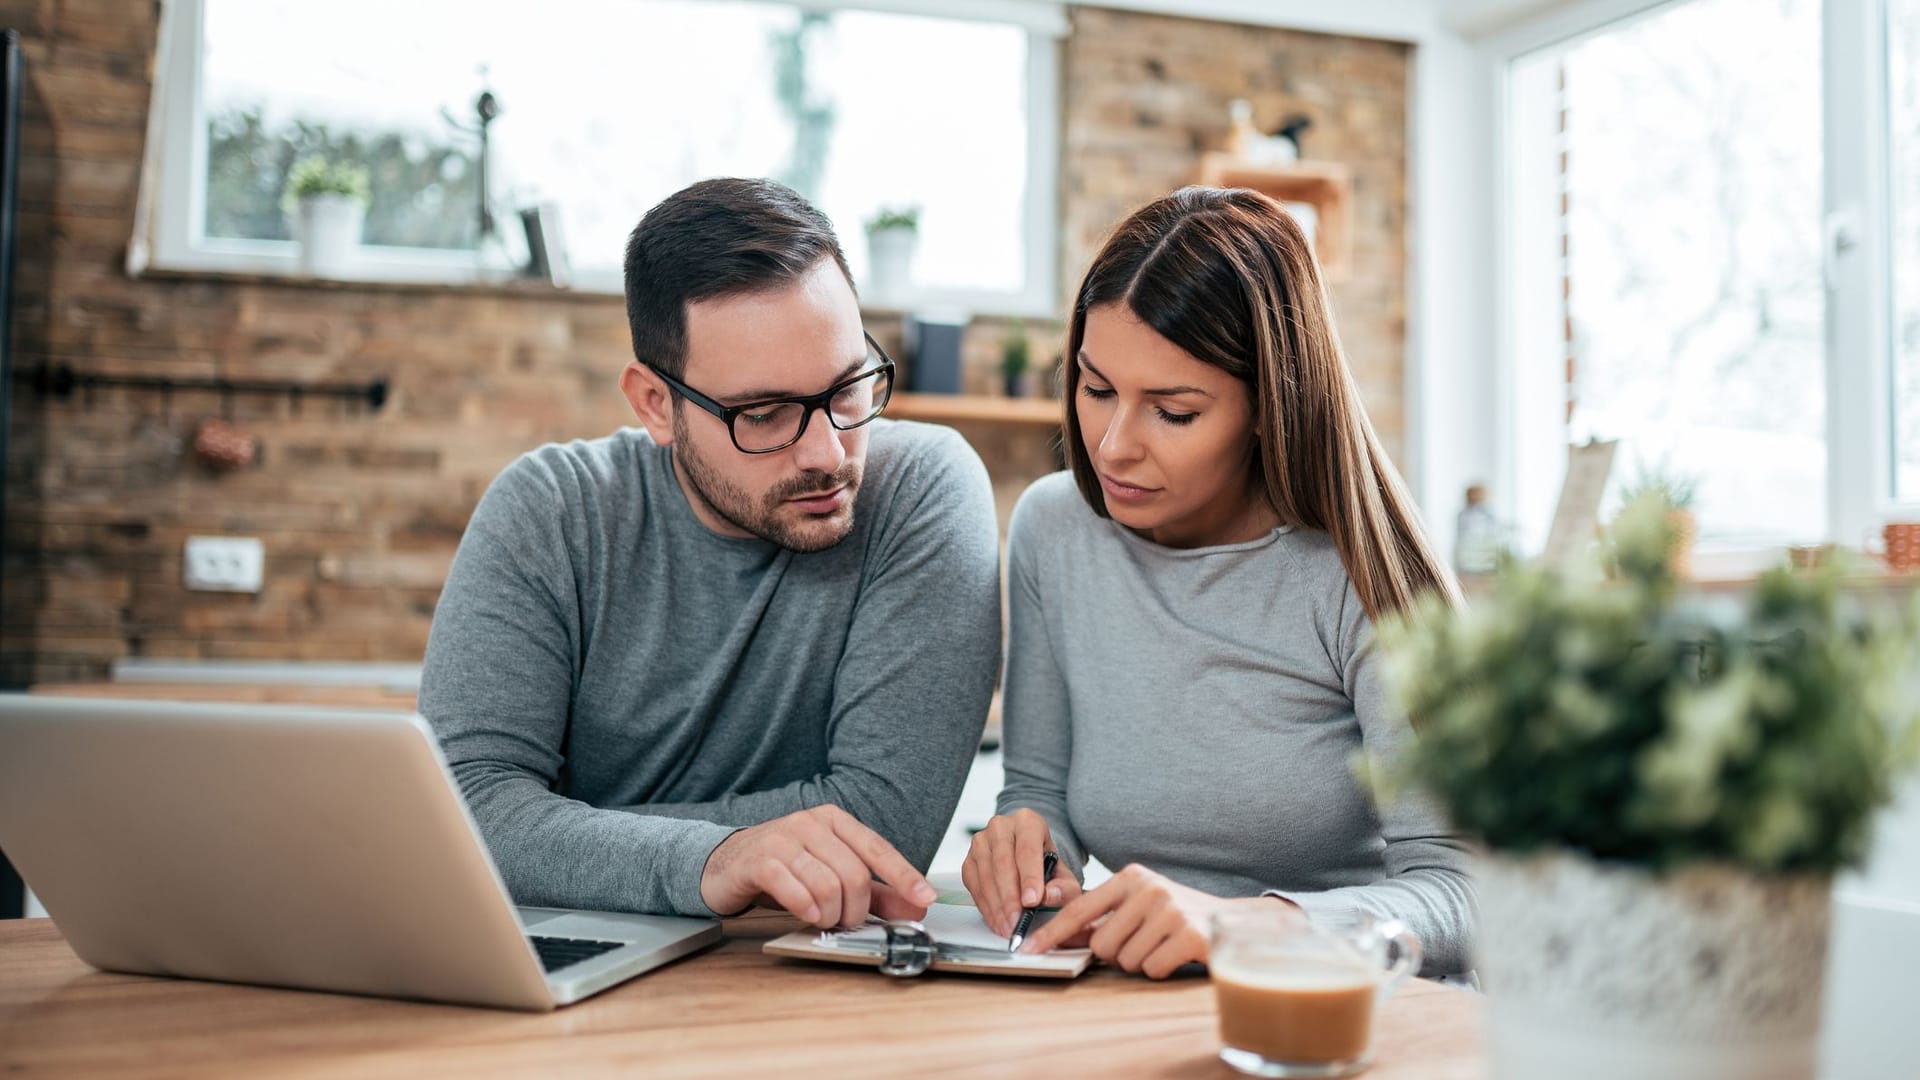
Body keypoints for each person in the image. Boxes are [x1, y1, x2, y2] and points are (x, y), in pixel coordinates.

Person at [421, 178, 1002, 930]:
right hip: (568, 967)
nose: (828, 453)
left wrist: (565, 834)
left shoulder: (922, 490)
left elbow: (884, 829)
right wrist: (714, 858)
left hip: (803, 981)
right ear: (656, 405)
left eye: (850, 387)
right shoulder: (552, 512)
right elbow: (464, 813)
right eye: (764, 414)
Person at [962, 186, 1473, 978]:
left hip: (1348, 1021)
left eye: (1173, 411)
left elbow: (1464, 892)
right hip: (1154, 1008)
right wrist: (1029, 847)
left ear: (1271, 405)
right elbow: (1039, 791)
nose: (1113, 446)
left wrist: (1247, 927)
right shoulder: (1053, 532)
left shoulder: (1366, 575)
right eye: (1096, 390)